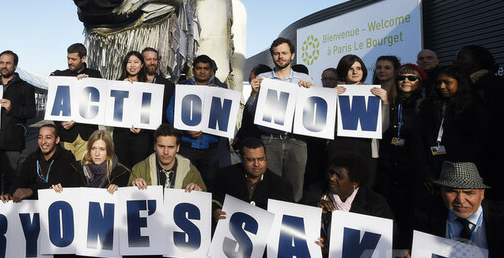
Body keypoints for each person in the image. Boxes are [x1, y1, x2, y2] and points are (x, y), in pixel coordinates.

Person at [299, 151, 394, 258]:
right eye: (331, 172)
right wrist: (314, 210)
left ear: (355, 183)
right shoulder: (316, 191)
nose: (332, 178)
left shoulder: (375, 204)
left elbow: (386, 240)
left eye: (339, 176)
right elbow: (299, 220)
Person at [206, 137, 294, 258]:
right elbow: (213, 197)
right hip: (228, 239)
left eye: (261, 159)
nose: (256, 164)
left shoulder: (281, 186)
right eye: (251, 159)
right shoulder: (225, 175)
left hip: (259, 247)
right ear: (241, 158)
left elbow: (290, 220)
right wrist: (215, 211)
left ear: (266, 158)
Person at [128, 123, 205, 258]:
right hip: (150, 235)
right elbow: (127, 205)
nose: (165, 152)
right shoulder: (140, 168)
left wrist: (198, 193)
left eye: (170, 147)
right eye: (161, 146)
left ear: (178, 147)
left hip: (176, 237)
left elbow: (204, 201)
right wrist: (133, 187)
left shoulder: (190, 169)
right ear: (154, 146)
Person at [1, 123, 80, 258]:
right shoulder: (33, 158)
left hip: (58, 210)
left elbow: (60, 183)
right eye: (40, 137)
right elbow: (21, 179)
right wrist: (9, 193)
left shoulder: (67, 157)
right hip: (36, 209)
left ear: (57, 140)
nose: (43, 141)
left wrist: (31, 190)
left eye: (48, 137)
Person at [244, 37, 314, 201]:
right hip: (270, 140)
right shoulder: (263, 78)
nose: (280, 57)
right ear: (272, 56)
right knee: (270, 185)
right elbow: (251, 113)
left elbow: (313, 115)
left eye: (284, 53)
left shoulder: (305, 80)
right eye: (276, 54)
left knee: (295, 187)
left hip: (296, 140)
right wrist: (254, 94)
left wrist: (310, 93)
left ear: (292, 55)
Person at [60, 130, 130, 258]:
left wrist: (121, 192)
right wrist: (59, 190)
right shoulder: (76, 168)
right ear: (89, 149)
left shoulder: (121, 173)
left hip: (105, 239)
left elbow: (126, 211)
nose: (97, 153)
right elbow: (68, 197)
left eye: (102, 149)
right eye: (94, 148)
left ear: (109, 151)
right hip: (81, 234)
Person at [413, 66, 494, 196]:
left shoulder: (475, 111)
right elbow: (418, 141)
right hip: (431, 175)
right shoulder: (429, 108)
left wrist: (454, 174)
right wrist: (426, 172)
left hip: (461, 177)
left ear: (460, 83)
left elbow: (477, 145)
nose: (442, 86)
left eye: (447, 82)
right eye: (439, 82)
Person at [376, 63, 427, 236]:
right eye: (401, 77)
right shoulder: (392, 103)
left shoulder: (425, 106)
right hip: (388, 169)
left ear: (420, 81)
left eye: (412, 77)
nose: (406, 80)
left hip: (411, 171)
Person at [167, 54, 230, 191]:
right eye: (199, 68)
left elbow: (227, 115)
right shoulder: (182, 87)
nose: (202, 71)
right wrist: (185, 130)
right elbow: (170, 112)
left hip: (211, 148)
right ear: (193, 70)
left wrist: (218, 95)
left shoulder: (221, 88)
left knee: (208, 186)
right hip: (187, 145)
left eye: (206, 68)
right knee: (184, 183)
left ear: (211, 70)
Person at [327, 54, 389, 184]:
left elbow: (383, 127)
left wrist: (385, 102)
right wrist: (330, 97)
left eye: (358, 68)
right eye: (350, 68)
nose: (355, 72)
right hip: (339, 146)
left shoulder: (374, 92)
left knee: (364, 189)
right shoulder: (333, 92)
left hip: (365, 148)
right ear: (343, 71)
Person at [0, 50, 36, 192]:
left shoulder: (25, 87)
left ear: (15, 65)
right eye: (1, 63)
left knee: (10, 179)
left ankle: (7, 209)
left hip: (12, 142)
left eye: (8, 63)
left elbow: (31, 112)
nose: (4, 66)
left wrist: (12, 108)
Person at [50, 43, 102, 161]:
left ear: (83, 58)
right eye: (68, 58)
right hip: (65, 134)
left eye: (73, 59)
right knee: (65, 169)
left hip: (87, 134)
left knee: (82, 171)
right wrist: (60, 122)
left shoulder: (95, 75)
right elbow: (54, 102)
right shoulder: (60, 75)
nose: (70, 62)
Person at [112, 51, 153, 169]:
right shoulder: (117, 84)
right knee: (122, 167)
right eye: (129, 62)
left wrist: (142, 127)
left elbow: (149, 111)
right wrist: (121, 87)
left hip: (141, 135)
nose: (132, 65)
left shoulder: (149, 86)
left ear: (141, 65)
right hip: (120, 134)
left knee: (139, 168)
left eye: (136, 62)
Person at [142, 47, 175, 123]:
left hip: (159, 130)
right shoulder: (136, 82)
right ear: (142, 62)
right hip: (139, 129)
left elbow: (170, 111)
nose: (152, 62)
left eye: (155, 59)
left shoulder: (167, 85)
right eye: (148, 59)